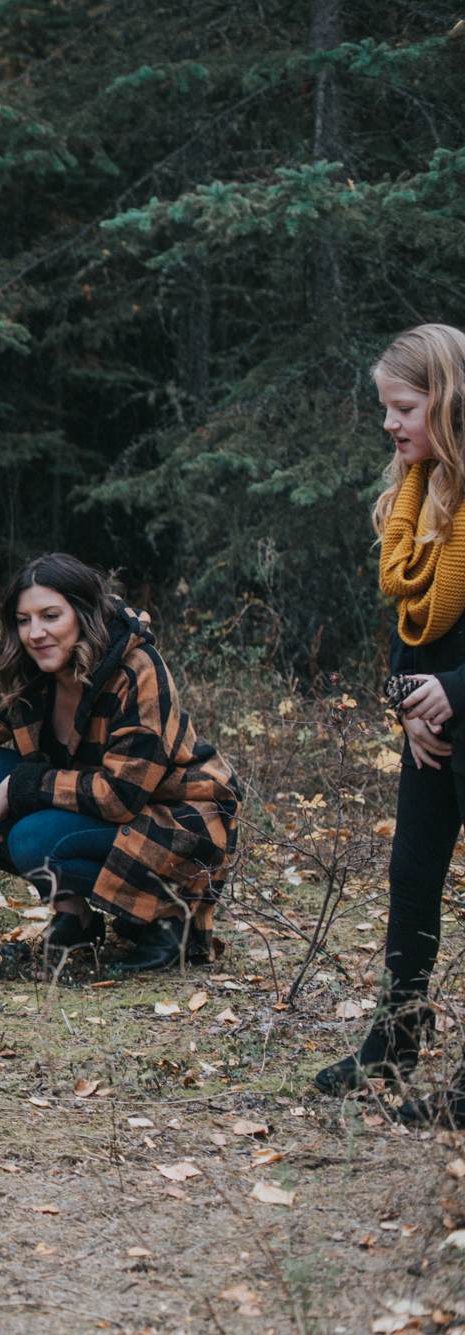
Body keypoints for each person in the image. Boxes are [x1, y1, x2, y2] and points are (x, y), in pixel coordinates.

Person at [0, 554, 238, 971]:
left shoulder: (137, 669)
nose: (35, 633)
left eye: (51, 616)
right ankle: (76, 919)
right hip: (104, 807)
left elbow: (121, 796)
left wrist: (22, 785)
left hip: (179, 820)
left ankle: (172, 918)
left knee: (31, 839)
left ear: (84, 614)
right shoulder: (24, 671)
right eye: (23, 620)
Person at [317, 323, 465, 1106]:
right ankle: (396, 1036)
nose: (389, 423)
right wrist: (406, 701)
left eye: (403, 407)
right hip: (432, 731)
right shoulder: (417, 495)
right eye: (386, 407)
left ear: (449, 400)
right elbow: (411, 628)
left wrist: (458, 688)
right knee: (410, 875)